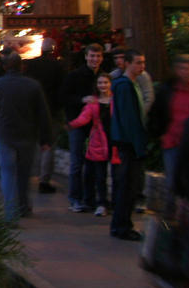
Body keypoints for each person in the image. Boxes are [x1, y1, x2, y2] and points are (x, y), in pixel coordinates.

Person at [0, 51, 54, 222]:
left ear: (5, 66)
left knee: (7, 173)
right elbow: (43, 113)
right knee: (24, 173)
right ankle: (23, 206)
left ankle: (11, 212)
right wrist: (46, 139)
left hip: (4, 134)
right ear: (22, 66)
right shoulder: (33, 85)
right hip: (28, 135)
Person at [109, 49, 150, 241]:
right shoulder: (124, 86)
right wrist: (138, 145)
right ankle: (122, 226)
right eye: (138, 62)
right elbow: (129, 119)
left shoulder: (130, 85)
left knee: (128, 187)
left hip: (128, 143)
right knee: (127, 187)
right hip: (127, 144)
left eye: (143, 62)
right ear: (127, 63)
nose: (141, 66)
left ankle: (122, 224)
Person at [60, 43, 105, 213]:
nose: (95, 59)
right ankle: (75, 198)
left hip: (96, 126)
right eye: (92, 56)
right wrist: (81, 100)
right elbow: (63, 97)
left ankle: (90, 198)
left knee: (94, 162)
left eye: (98, 56)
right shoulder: (74, 76)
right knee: (77, 162)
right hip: (78, 124)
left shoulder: (103, 76)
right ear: (86, 57)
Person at [68, 72, 113, 217]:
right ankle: (98, 202)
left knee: (110, 175)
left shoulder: (116, 101)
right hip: (98, 141)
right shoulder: (93, 102)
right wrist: (71, 125)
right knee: (97, 174)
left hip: (113, 140)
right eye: (100, 83)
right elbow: (84, 118)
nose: (103, 85)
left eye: (105, 82)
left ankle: (105, 202)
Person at [24, 39, 65, 194]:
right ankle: (44, 180)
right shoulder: (58, 66)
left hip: (32, 110)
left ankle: (27, 174)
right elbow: (62, 89)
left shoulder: (32, 65)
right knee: (49, 144)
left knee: (32, 143)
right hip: (51, 110)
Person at [149, 54, 189, 188]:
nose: (187, 73)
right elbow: (156, 113)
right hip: (172, 142)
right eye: (183, 69)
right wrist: (160, 133)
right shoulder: (167, 90)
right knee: (173, 184)